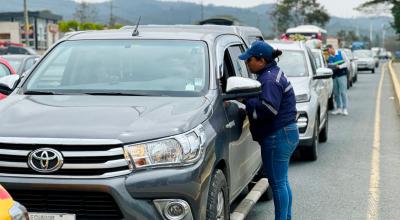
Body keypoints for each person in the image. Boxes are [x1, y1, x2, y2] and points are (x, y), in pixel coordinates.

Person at [239, 41, 299, 220]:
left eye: (249, 59)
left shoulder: (269, 80)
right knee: (282, 182)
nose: (247, 63)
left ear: (261, 60)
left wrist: (245, 100)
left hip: (278, 135)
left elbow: (268, 109)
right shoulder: (272, 73)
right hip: (287, 133)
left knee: (278, 183)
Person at [327, 45, 349, 115]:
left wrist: (339, 66)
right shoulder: (330, 57)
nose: (328, 52)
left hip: (342, 74)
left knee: (343, 92)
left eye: (328, 50)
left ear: (332, 48)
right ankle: (339, 108)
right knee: (336, 93)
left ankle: (345, 108)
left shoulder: (341, 53)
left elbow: (347, 63)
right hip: (334, 76)